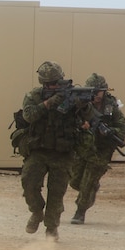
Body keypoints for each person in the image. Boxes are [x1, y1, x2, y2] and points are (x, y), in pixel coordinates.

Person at [18, 61, 89, 240]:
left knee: (56, 193)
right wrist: (48, 103)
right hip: (39, 150)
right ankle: (36, 211)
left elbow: (86, 117)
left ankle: (51, 228)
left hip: (63, 153)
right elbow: (28, 116)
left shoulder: (71, 96)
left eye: (57, 82)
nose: (54, 86)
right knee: (29, 183)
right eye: (50, 84)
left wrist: (82, 106)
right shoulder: (34, 96)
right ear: (43, 83)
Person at [68, 73, 125, 224]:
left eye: (98, 91)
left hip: (101, 150)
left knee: (87, 182)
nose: (95, 95)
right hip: (82, 147)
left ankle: (80, 212)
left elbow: (122, 127)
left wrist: (109, 132)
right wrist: (80, 126)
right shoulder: (79, 105)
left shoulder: (110, 106)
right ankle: (91, 188)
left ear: (105, 91)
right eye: (92, 92)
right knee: (75, 181)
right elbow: (67, 121)